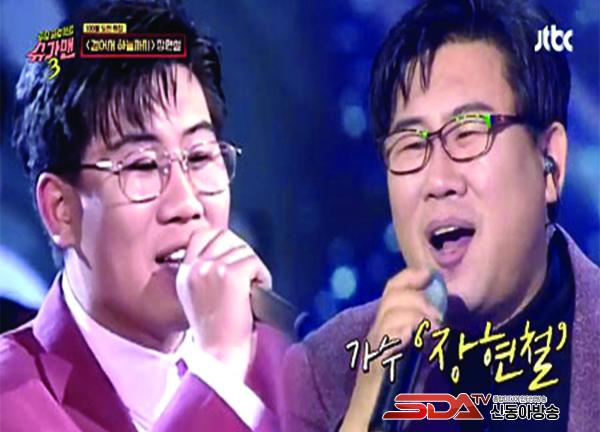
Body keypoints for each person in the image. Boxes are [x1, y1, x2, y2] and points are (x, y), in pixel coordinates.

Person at [282, 0, 599, 431]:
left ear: (550, 162)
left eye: (468, 132)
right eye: (411, 145)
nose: (438, 180)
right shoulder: (321, 376)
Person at [0, 1, 288, 431]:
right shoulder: (12, 401)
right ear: (60, 210)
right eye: (142, 165)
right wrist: (217, 375)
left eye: (200, 156)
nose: (186, 204)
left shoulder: (283, 370)